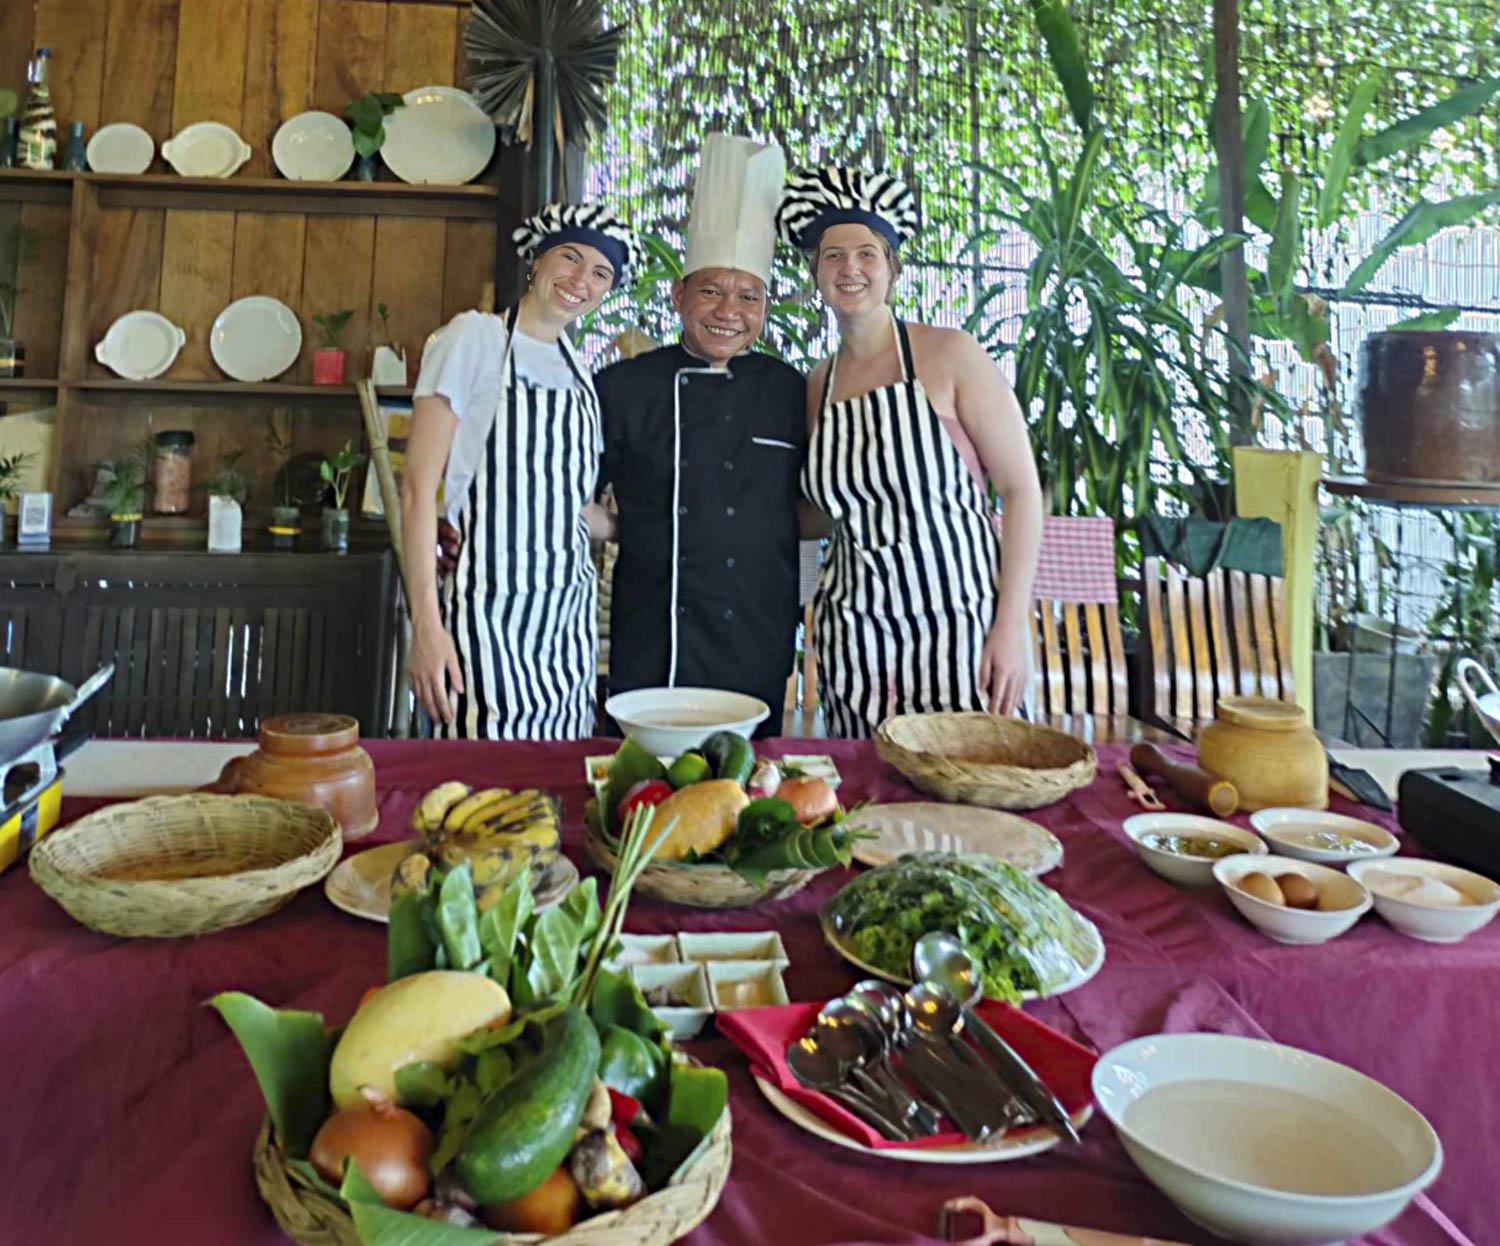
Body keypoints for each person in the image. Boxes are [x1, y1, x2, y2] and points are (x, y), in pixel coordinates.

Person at [776, 165, 1043, 737]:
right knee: (869, 786)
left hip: (961, 630)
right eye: (832, 256)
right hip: (856, 640)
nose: (850, 268)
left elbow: (1021, 490)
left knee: (974, 777)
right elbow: (825, 512)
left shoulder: (950, 355)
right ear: (814, 271)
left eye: (867, 254)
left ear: (892, 267)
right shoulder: (817, 385)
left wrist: (1010, 627)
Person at [401, 203, 642, 739]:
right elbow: (417, 490)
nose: (581, 280)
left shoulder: (579, 371)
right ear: (537, 261)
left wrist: (643, 527)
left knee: (558, 776)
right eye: (570, 258)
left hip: (566, 625)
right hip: (485, 617)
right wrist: (427, 627)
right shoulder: (473, 339)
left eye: (601, 272)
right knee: (480, 775)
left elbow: (568, 505)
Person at [593, 134, 806, 735]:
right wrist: (629, 526)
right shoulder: (623, 386)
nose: (728, 311)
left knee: (750, 775)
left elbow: (812, 505)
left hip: (757, 632)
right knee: (643, 775)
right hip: (654, 631)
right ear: (679, 295)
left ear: (765, 307)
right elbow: (576, 496)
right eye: (711, 290)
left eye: (748, 296)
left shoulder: (789, 389)